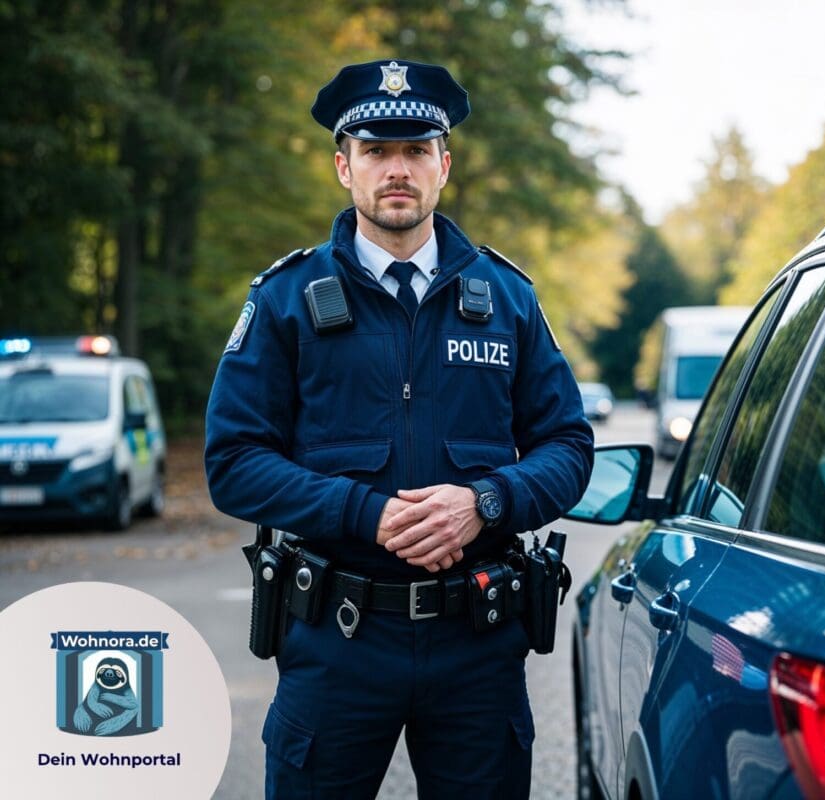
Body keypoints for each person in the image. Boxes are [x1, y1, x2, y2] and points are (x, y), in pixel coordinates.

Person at [204, 58, 594, 798]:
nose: (397, 169)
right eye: (376, 151)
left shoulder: (507, 299)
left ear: (443, 166)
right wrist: (366, 513)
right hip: (336, 639)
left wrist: (483, 502)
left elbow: (568, 447)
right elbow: (233, 459)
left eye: (415, 150)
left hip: (476, 643)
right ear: (341, 167)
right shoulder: (287, 299)